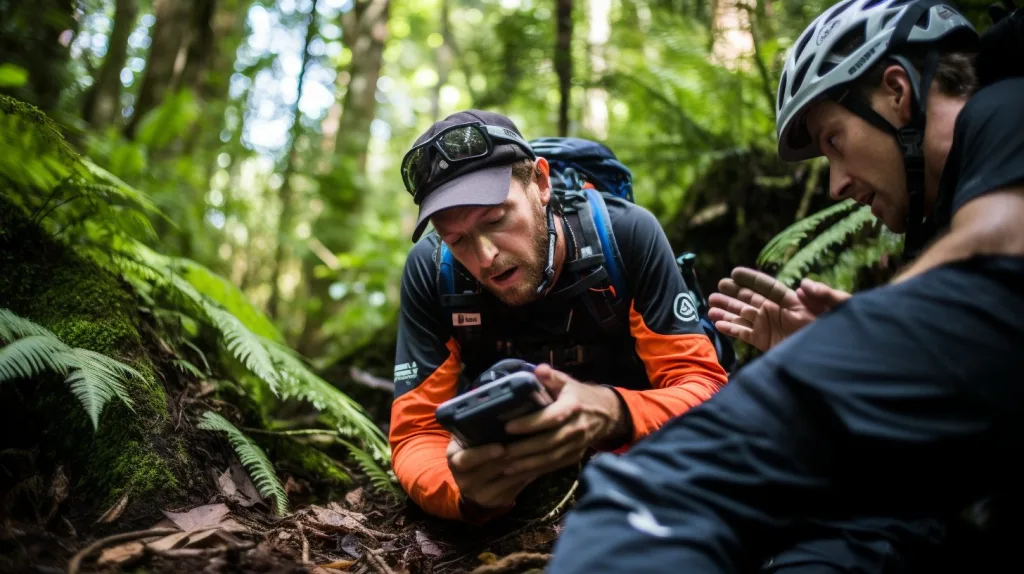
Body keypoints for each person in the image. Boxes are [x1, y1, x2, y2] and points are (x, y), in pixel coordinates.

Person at [546, 0, 1024, 571]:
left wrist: (852, 351)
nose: (836, 185)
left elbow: (997, 245)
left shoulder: (1004, 109)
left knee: (645, 504)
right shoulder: (947, 207)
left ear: (898, 91)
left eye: (834, 140)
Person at [389, 109, 729, 523]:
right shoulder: (431, 271)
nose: (485, 257)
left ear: (541, 183)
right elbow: (415, 432)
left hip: (636, 437)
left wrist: (614, 412)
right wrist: (465, 495)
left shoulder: (626, 235)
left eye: (496, 219)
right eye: (456, 239)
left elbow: (702, 384)